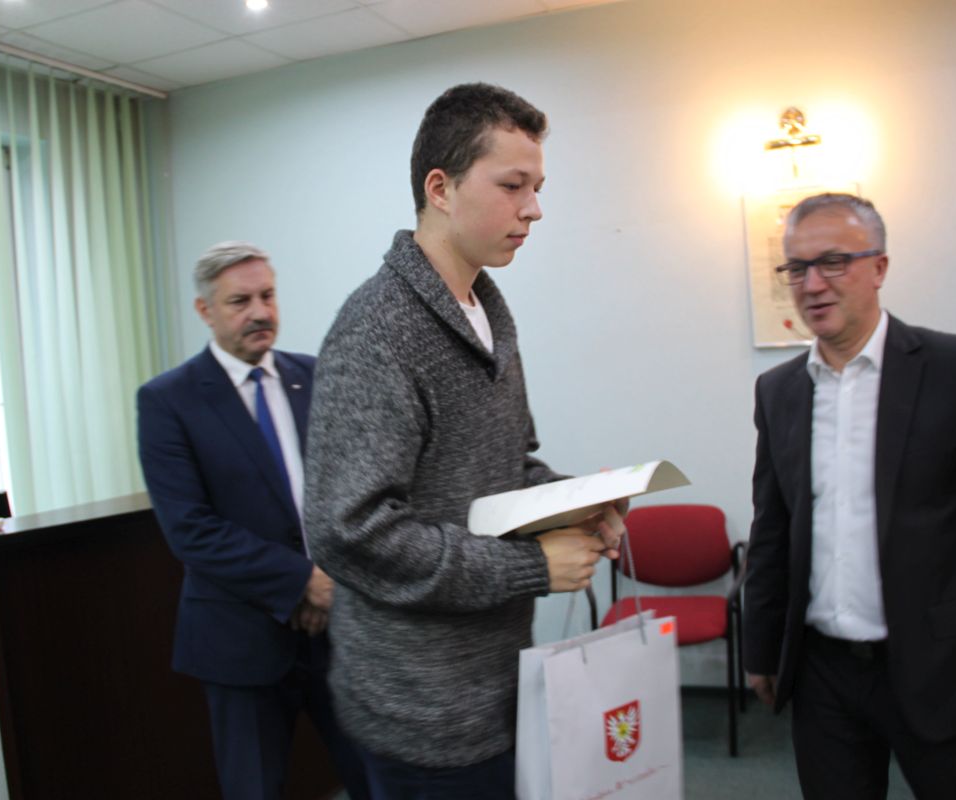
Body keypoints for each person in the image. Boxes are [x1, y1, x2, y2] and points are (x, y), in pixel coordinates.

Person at [302, 82, 623, 798]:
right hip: (424, 714)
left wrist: (577, 501)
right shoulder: (377, 330)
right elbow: (350, 532)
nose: (534, 209)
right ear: (440, 189)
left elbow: (509, 464)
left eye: (537, 188)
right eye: (513, 185)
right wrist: (532, 568)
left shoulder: (488, 311)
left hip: (496, 683)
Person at [743, 193, 956, 799]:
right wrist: (761, 649)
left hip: (944, 667)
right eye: (797, 267)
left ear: (879, 267)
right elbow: (772, 530)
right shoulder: (779, 391)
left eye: (834, 261)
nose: (812, 284)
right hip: (824, 675)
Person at [136, 242, 368, 800]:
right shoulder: (169, 400)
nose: (260, 312)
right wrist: (302, 582)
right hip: (241, 640)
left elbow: (353, 491)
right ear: (205, 310)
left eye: (267, 295)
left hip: (340, 629)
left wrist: (329, 582)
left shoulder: (315, 376)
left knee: (375, 780)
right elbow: (190, 529)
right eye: (240, 301)